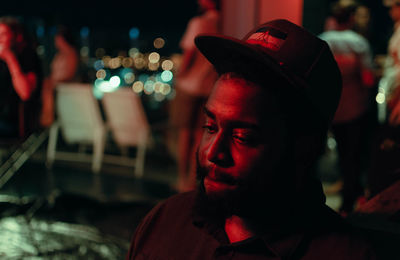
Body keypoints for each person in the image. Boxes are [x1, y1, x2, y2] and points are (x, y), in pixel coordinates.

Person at [127, 19, 378, 259]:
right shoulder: (165, 222)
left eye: (243, 137)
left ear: (304, 146)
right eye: (210, 127)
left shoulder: (344, 254)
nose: (213, 153)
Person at [319, 2, 376, 215]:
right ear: (350, 19)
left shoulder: (322, 40)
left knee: (321, 153)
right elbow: (368, 79)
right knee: (351, 156)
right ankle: (348, 204)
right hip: (354, 109)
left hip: (329, 109)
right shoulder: (358, 43)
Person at [170, 0, 221, 192]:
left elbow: (189, 53)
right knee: (200, 135)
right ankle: (193, 180)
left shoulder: (198, 23)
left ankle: (181, 179)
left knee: (183, 133)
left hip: (189, 85)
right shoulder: (223, 23)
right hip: (209, 87)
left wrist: (180, 74)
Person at [0, 16, 43, 138]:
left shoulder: (28, 57)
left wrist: (10, 59)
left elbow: (25, 93)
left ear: (17, 36)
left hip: (15, 122)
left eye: (3, 34)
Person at [40, 25, 79, 128]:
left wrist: (55, 83)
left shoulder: (71, 54)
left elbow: (71, 74)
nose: (55, 42)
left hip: (64, 88)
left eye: (57, 39)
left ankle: (47, 121)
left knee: (48, 93)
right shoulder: (59, 55)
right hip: (55, 86)